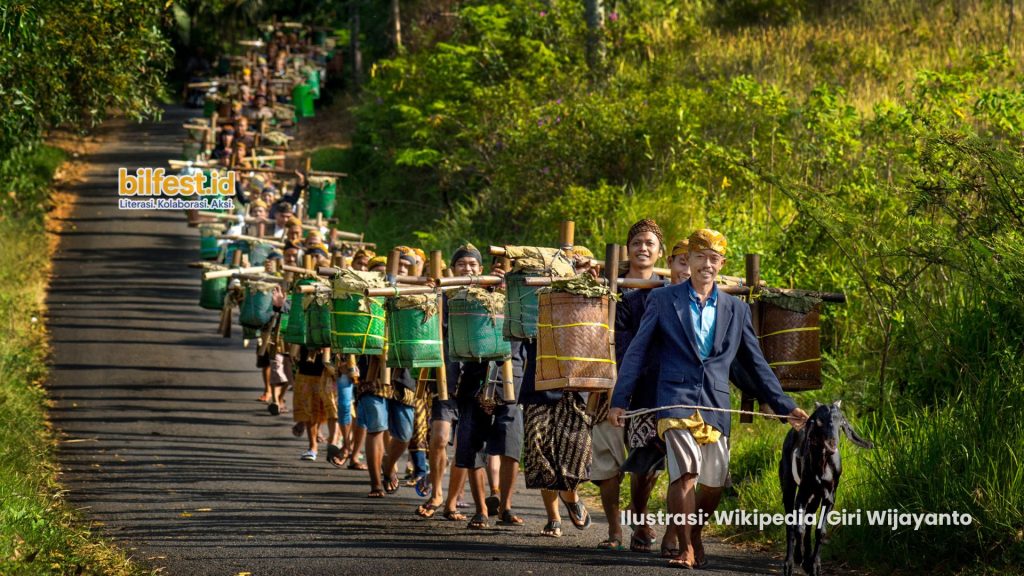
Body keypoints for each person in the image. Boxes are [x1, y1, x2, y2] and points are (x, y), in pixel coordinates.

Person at [609, 228, 809, 569]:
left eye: (713, 259)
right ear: (689, 260)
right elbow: (637, 351)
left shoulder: (736, 309)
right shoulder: (663, 300)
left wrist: (784, 406)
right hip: (674, 398)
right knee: (685, 472)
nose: (705, 265)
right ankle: (685, 546)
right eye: (699, 257)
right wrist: (620, 399)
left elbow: (756, 364)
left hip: (715, 403)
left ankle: (695, 533)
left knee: (713, 484)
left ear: (720, 264)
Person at [592, 219, 667, 552]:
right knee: (607, 462)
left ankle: (640, 519)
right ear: (627, 249)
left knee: (645, 462)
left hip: (651, 385)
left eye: (650, 243)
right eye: (637, 242)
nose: (643, 248)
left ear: (660, 251)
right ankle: (613, 530)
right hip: (609, 380)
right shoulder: (610, 284)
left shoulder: (669, 290)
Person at [613, 238, 688, 556]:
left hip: (688, 395)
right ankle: (639, 515)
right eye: (681, 261)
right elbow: (632, 348)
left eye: (693, 261)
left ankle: (674, 533)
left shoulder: (712, 300)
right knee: (645, 464)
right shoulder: (649, 297)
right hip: (647, 392)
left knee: (683, 468)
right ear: (669, 264)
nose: (688, 269)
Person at [446, 244, 525, 530]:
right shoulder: (460, 298)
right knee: (471, 445)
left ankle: (505, 506)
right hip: (473, 377)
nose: (468, 269)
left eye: (472, 265)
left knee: (510, 444)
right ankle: (480, 509)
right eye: (462, 265)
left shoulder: (518, 294)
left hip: (510, 378)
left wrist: (506, 288)